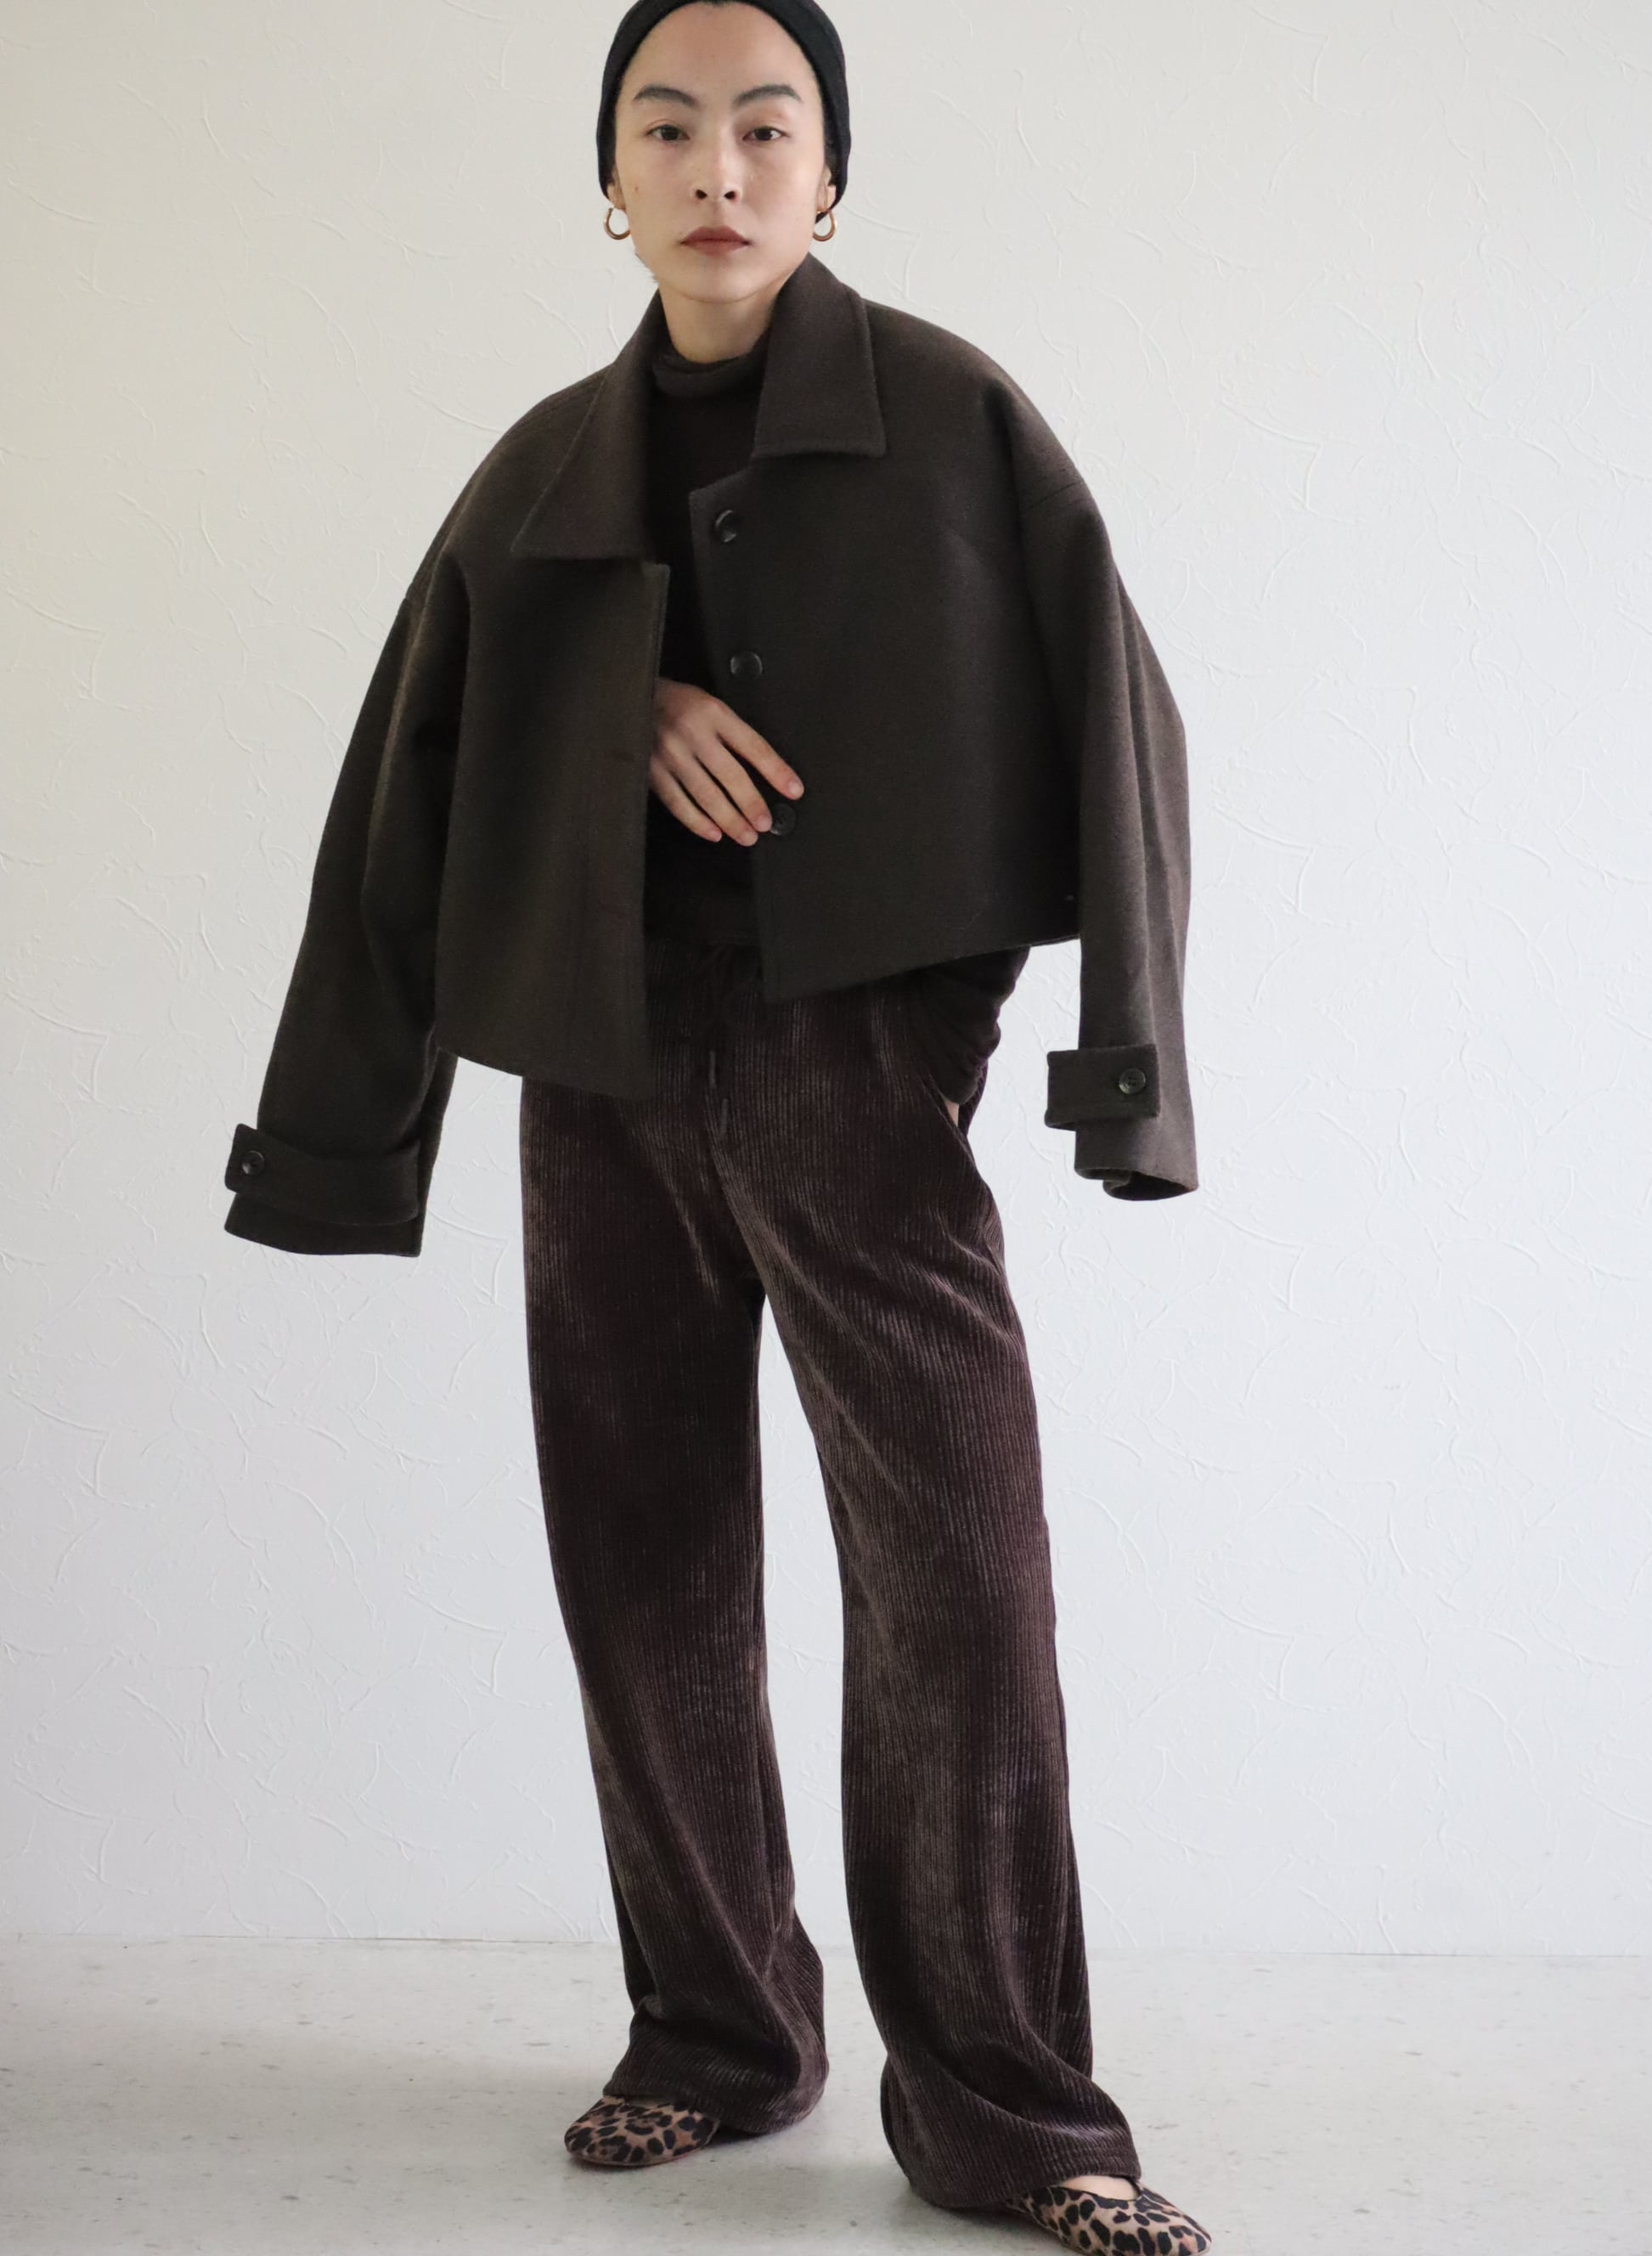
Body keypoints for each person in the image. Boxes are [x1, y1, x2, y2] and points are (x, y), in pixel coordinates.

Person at [221, 2, 1207, 2248]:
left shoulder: (955, 417)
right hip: (599, 1060)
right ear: (611, 180)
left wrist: (1111, 1070)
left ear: (830, 175)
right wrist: (623, 714)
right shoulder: (540, 470)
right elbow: (408, 780)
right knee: (643, 1566)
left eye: (768, 128)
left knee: (961, 1585)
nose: (719, 167)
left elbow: (1124, 718)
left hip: (861, 1065)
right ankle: (718, 2037)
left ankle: (1018, 2114)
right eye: (666, 127)